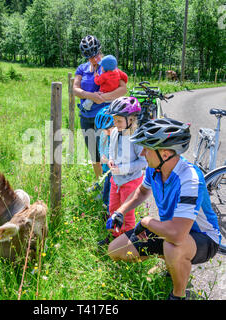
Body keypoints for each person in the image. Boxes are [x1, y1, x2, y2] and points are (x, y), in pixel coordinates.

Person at [106, 118, 221, 300]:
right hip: (173, 229)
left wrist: (146, 222)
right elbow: (142, 192)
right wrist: (120, 211)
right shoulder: (155, 168)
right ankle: (172, 263)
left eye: (147, 149)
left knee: (173, 246)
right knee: (115, 251)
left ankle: (178, 295)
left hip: (203, 237)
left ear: (165, 153)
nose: (143, 153)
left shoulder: (189, 179)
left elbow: (177, 234)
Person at [73, 35, 127, 179]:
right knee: (93, 153)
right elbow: (75, 89)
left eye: (96, 55)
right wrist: (91, 96)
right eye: (90, 57)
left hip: (104, 117)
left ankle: (109, 184)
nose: (94, 59)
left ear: (100, 51)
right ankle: (99, 182)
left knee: (106, 153)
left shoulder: (109, 66)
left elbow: (123, 89)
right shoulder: (82, 69)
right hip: (86, 117)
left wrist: (103, 98)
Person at [104, 97, 147, 240]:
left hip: (130, 181)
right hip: (116, 179)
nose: (115, 124)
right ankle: (114, 237)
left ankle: (126, 243)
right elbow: (111, 148)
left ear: (131, 119)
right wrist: (111, 159)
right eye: (114, 120)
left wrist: (122, 169)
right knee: (113, 210)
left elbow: (143, 162)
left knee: (126, 214)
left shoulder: (137, 137)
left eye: (119, 121)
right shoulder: (116, 131)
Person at [94, 106, 114, 213]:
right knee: (106, 186)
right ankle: (105, 205)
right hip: (106, 168)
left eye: (107, 129)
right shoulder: (103, 134)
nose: (105, 132)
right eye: (102, 130)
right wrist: (102, 157)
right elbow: (101, 148)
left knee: (112, 190)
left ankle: (111, 209)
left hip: (115, 171)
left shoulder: (118, 136)